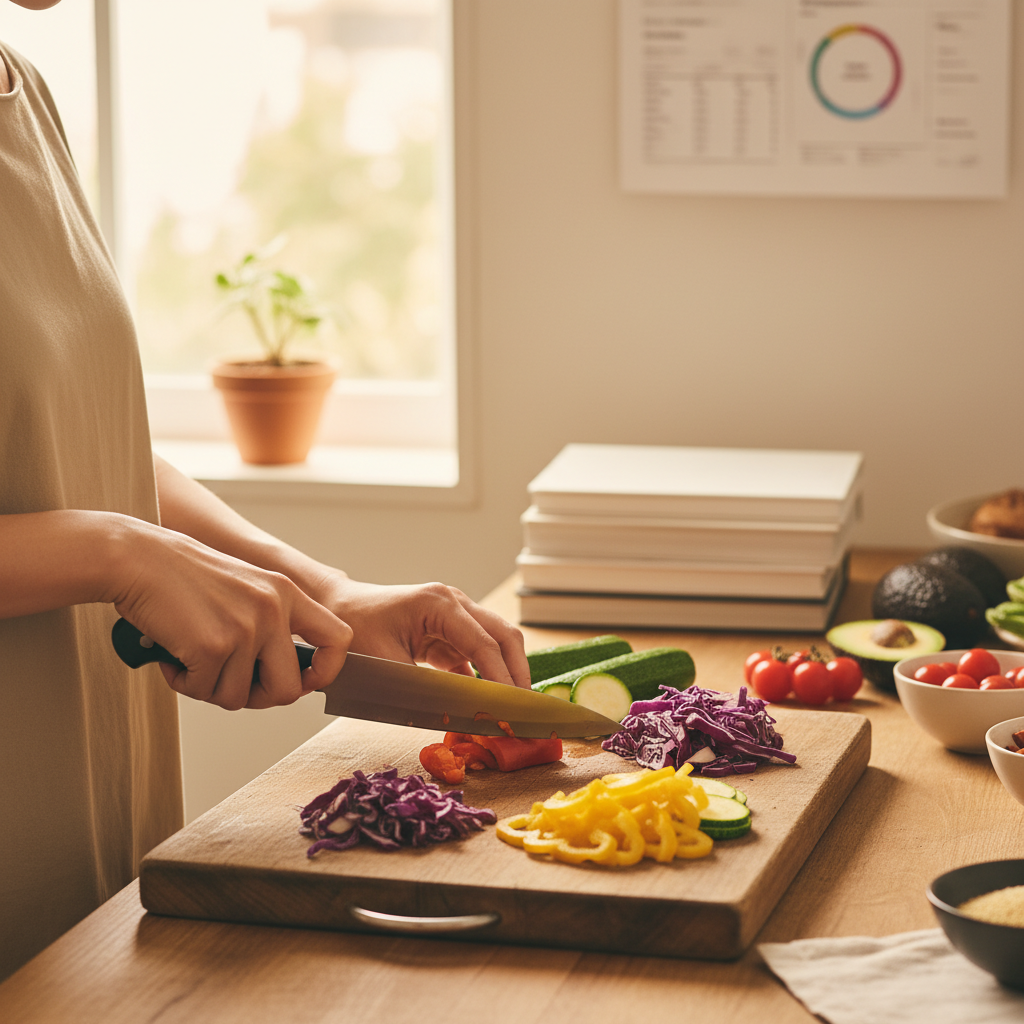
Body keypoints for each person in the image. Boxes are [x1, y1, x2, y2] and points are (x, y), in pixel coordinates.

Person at [0, 0, 528, 981]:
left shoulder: (20, 90)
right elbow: (99, 516)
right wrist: (118, 553)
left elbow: (79, 440)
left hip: (91, 834)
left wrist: (322, 590)